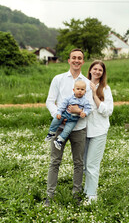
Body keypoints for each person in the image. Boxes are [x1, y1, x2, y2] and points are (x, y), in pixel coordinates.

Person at [44, 49, 93, 206]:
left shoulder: (87, 83)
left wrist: (78, 112)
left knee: (78, 163)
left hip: (79, 129)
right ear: (69, 60)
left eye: (80, 58)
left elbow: (89, 107)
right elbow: (50, 101)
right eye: (74, 58)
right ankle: (49, 197)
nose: (76, 60)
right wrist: (58, 116)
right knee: (55, 161)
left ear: (83, 62)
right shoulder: (58, 79)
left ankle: (76, 195)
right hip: (60, 127)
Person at [84, 60, 113, 204]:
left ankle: (92, 196)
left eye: (100, 70)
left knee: (92, 165)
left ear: (103, 73)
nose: (97, 72)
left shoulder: (105, 89)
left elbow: (108, 111)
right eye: (94, 69)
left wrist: (95, 96)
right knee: (84, 164)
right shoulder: (83, 85)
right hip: (83, 131)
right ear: (90, 70)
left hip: (99, 131)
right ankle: (86, 191)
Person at [45, 80, 91, 150]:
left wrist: (85, 113)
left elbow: (88, 109)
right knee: (56, 120)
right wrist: (59, 113)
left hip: (73, 120)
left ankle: (59, 141)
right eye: (78, 89)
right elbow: (62, 106)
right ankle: (51, 132)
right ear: (73, 90)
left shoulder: (85, 101)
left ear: (85, 91)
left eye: (82, 89)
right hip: (65, 114)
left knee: (67, 130)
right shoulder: (69, 98)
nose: (80, 91)